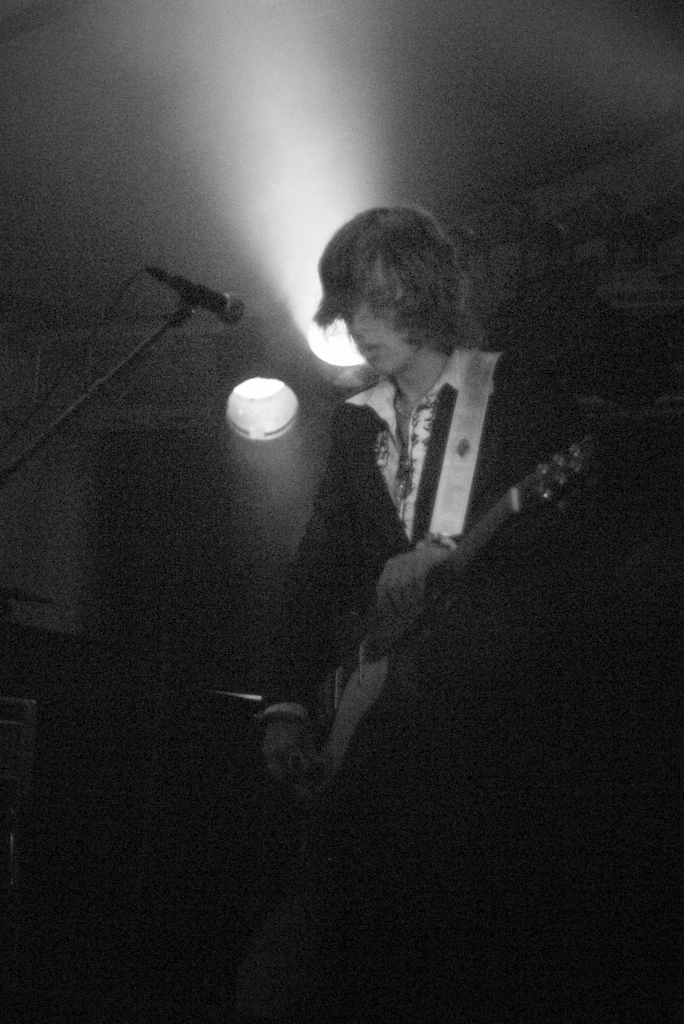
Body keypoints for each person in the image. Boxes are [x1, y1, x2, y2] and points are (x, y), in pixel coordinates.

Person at [232, 204, 594, 1023]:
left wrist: (457, 568)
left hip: (484, 752)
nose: (355, 324)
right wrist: (287, 709)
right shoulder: (353, 428)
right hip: (366, 732)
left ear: (426, 293)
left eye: (376, 298)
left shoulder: (521, 394)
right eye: (346, 301)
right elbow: (312, 575)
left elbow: (571, 574)